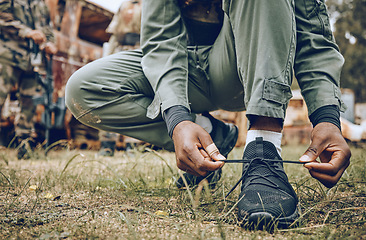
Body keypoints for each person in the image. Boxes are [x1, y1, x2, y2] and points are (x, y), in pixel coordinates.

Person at [65, 0, 351, 229]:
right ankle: (212, 136)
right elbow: (162, 43)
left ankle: (263, 149)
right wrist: (177, 118)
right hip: (187, 66)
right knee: (84, 90)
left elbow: (313, 38)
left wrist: (327, 118)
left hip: (245, 67)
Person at [0, 0, 57, 159]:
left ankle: (24, 145)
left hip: (33, 60)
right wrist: (27, 32)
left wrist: (50, 43)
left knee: (29, 101)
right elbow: (3, 17)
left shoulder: (41, 3)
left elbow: (47, 27)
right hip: (8, 55)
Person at [98, 0, 142, 157]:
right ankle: (107, 144)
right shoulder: (124, 5)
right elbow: (115, 34)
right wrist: (106, 58)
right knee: (110, 97)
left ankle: (133, 145)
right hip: (120, 50)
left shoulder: (152, 5)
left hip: (140, 50)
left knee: (136, 98)